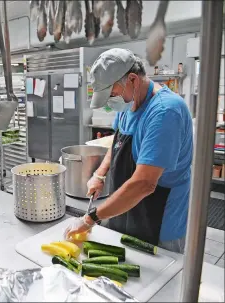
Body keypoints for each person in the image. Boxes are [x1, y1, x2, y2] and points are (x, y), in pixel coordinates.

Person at [64, 48, 193, 253]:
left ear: (132, 79)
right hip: (128, 208)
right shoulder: (129, 106)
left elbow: (144, 183)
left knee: (161, 278)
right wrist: (100, 174)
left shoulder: (165, 113)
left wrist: (89, 219)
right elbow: (117, 143)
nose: (110, 101)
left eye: (112, 94)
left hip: (159, 218)